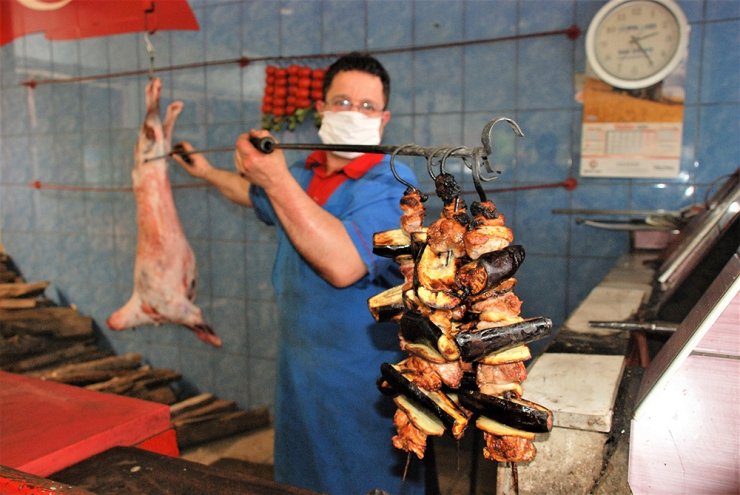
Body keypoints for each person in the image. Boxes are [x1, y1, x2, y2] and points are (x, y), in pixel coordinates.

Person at [173, 52, 425, 495]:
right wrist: (209, 172)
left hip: (362, 376)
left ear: (383, 120)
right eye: (342, 102)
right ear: (322, 109)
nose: (354, 114)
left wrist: (274, 180)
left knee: (363, 479)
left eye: (367, 107)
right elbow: (259, 198)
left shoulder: (392, 183)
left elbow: (344, 265)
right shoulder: (304, 174)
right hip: (300, 367)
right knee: (301, 479)